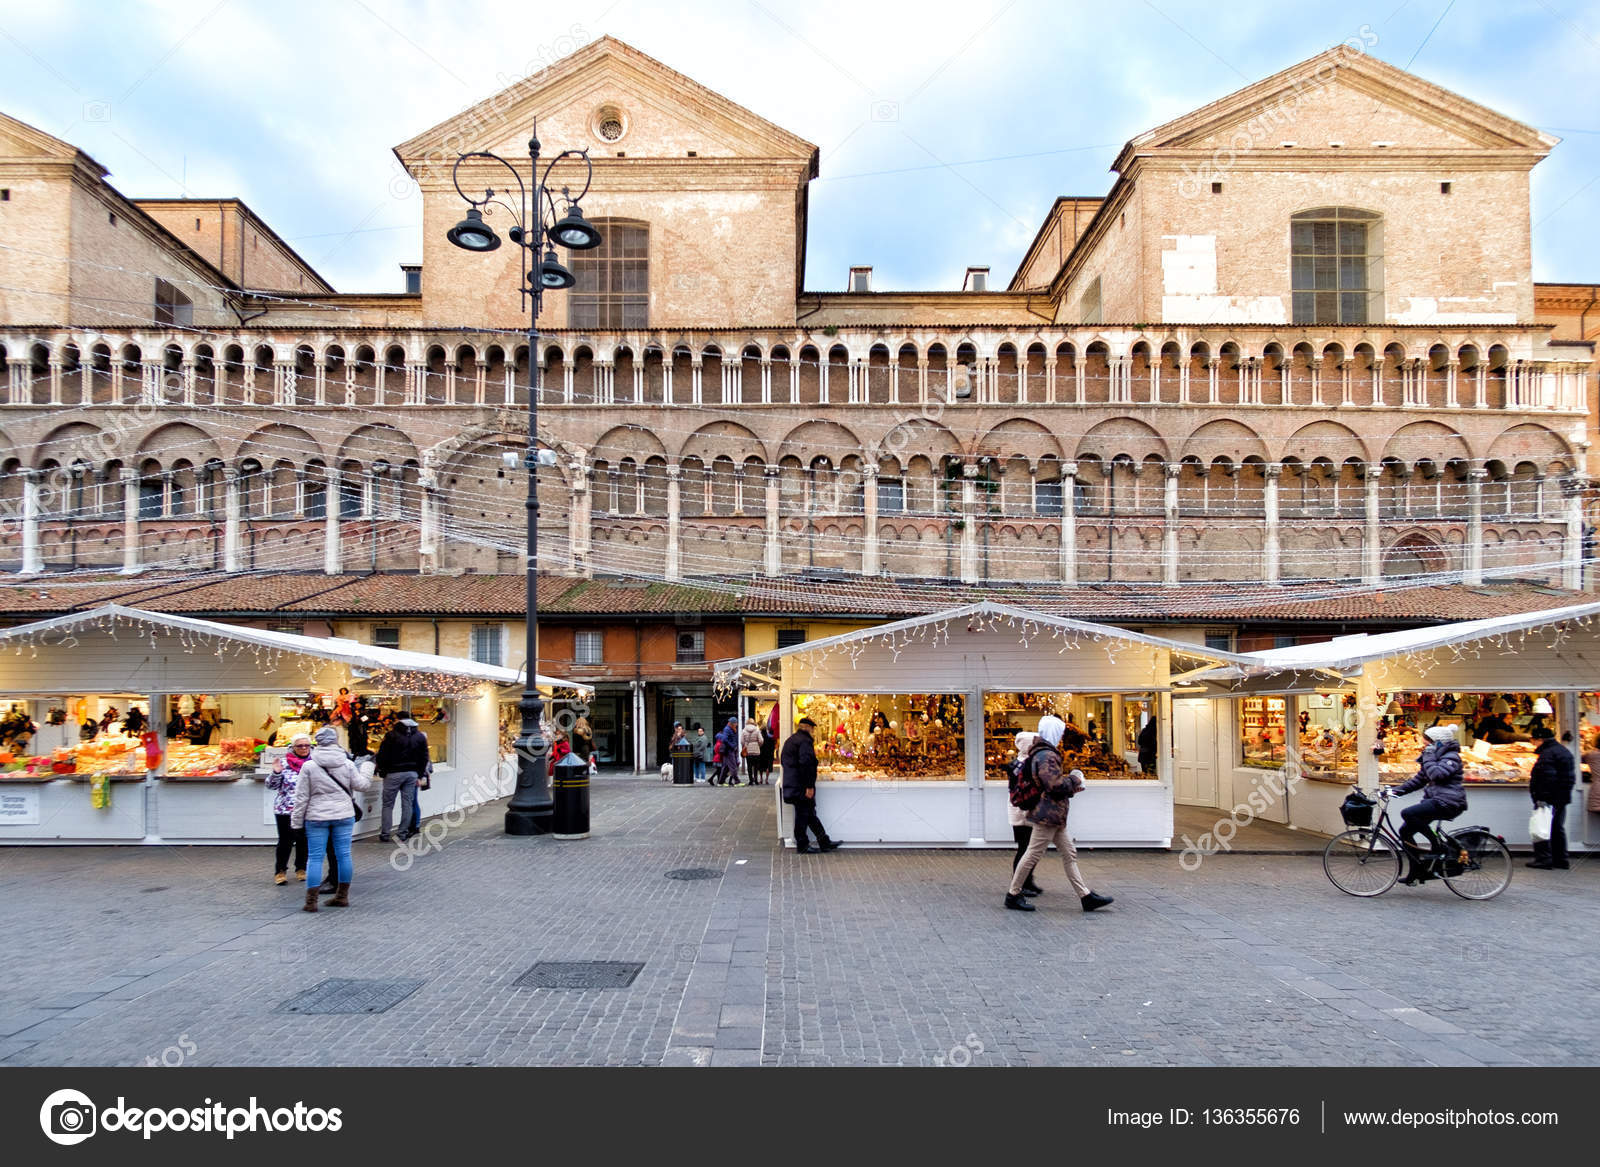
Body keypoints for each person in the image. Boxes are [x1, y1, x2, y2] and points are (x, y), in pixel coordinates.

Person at [1006, 715, 1113, 913]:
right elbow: (1053, 784)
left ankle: (1085, 896)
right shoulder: (1047, 755)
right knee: (1032, 853)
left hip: (1054, 814)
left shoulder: (1042, 752)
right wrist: (1074, 779)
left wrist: (1070, 784)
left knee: (1068, 853)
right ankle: (1012, 894)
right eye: (1060, 732)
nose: (1062, 737)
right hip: (1048, 814)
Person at [291, 726, 370, 911]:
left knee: (315, 857)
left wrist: (295, 823)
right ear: (335, 741)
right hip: (344, 814)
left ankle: (311, 902)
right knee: (343, 855)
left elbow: (301, 797)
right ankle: (342, 896)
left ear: (316, 743)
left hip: (316, 817)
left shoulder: (309, 766)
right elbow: (362, 785)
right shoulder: (347, 764)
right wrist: (367, 768)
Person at [1388, 723, 1468, 885]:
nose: (1423, 747)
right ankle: (1415, 872)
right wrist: (1395, 791)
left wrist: (1429, 756)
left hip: (1450, 802)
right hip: (1436, 800)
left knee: (1408, 813)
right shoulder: (1434, 756)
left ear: (1437, 743)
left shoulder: (1451, 757)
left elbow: (1437, 774)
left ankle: (1438, 846)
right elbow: (1420, 780)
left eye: (1426, 744)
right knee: (1405, 831)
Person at [781, 716, 839, 852]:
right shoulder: (805, 742)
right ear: (807, 728)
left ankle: (824, 841)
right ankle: (802, 845)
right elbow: (806, 764)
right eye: (812, 729)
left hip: (794, 783)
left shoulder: (791, 740)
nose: (813, 731)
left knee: (809, 814)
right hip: (801, 786)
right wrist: (808, 786)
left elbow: (785, 761)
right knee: (803, 815)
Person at [375, 716, 431, 843]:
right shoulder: (420, 737)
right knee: (407, 803)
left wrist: (383, 771)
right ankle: (402, 832)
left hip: (393, 774)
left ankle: (385, 833)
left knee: (388, 804)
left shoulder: (391, 736)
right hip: (411, 774)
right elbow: (424, 757)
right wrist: (420, 774)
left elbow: (382, 755)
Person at [266, 734, 312, 885]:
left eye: (307, 745)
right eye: (300, 746)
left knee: (303, 841)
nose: (304, 748)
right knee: (285, 841)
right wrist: (276, 772)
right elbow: (271, 786)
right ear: (293, 748)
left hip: (307, 809)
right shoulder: (284, 763)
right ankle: (280, 871)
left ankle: (301, 869)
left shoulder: (314, 764)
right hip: (285, 809)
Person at [1527, 725, 1574, 870]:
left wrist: (1541, 797)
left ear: (1540, 739)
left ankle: (1544, 859)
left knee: (1542, 826)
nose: (1533, 744)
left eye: (1533, 740)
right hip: (1561, 796)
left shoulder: (1548, 754)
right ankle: (1561, 859)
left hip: (1549, 798)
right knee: (1557, 828)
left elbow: (1546, 778)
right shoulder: (1562, 751)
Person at [1007, 731, 1043, 897]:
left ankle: (1027, 880)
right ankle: (1021, 882)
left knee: (1029, 848)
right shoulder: (1022, 765)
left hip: (1022, 810)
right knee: (1025, 848)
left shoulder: (1020, 763)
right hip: (1022, 811)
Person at [718, 717, 743, 785]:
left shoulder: (730, 729)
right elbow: (724, 739)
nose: (737, 724)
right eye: (735, 723)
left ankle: (721, 782)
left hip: (729, 750)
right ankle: (737, 781)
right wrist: (732, 746)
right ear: (732, 723)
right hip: (729, 750)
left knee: (726, 767)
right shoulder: (727, 729)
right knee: (733, 766)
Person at [741, 717, 764, 785]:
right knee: (756, 766)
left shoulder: (744, 731)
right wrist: (758, 745)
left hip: (748, 751)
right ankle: (756, 780)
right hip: (756, 751)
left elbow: (742, 741)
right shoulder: (757, 730)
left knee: (749, 766)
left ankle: (751, 780)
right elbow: (761, 740)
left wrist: (745, 745)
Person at [757, 718, 777, 785]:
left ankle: (761, 779)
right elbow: (773, 744)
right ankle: (766, 779)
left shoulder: (759, 735)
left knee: (761, 767)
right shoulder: (770, 736)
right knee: (768, 767)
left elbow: (758, 743)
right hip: (769, 753)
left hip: (761, 752)